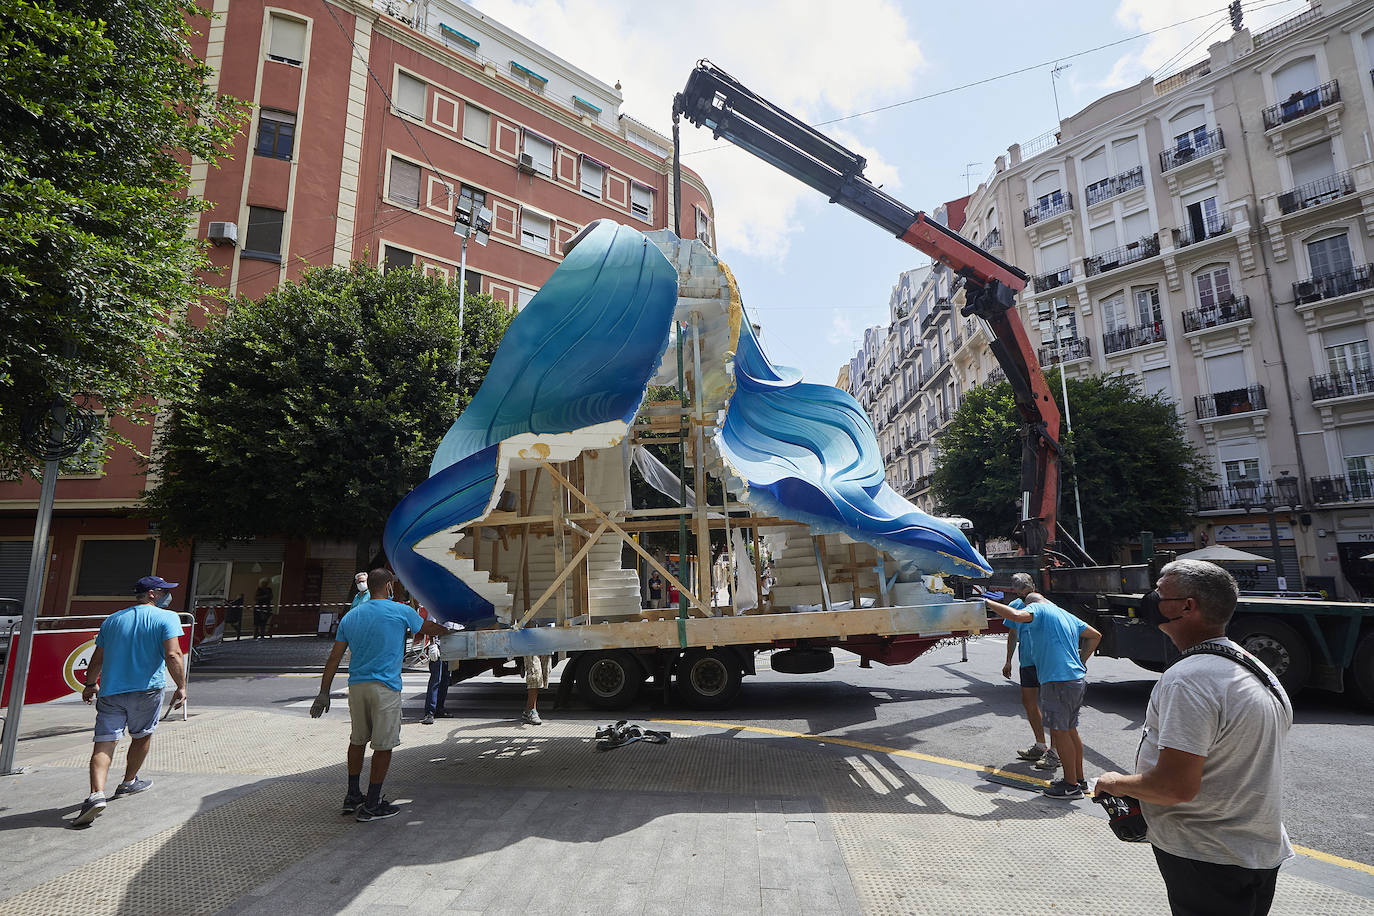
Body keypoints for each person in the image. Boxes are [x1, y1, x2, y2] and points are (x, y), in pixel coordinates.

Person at [1096, 560, 1293, 916]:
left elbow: (1174, 788)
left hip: (1207, 855)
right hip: (1255, 849)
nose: (1151, 598)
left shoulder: (1189, 678)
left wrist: (1115, 782)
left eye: (1160, 592)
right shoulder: (1254, 665)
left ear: (1187, 606)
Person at [311, 568, 447, 822]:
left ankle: (353, 795)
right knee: (383, 746)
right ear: (388, 586)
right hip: (385, 688)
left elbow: (334, 657)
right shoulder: (400, 610)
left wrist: (323, 693)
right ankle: (372, 804)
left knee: (357, 740)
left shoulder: (352, 616)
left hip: (358, 687)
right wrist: (451, 629)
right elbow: (427, 627)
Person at [73, 576, 188, 827]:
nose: (169, 595)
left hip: (111, 691)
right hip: (146, 690)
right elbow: (173, 653)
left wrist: (90, 683)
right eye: (165, 591)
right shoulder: (167, 618)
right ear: (153, 595)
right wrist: (180, 686)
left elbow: (98, 657)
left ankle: (96, 794)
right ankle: (128, 782)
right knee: (142, 735)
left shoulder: (112, 620)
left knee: (104, 741)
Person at [981, 587, 1101, 799]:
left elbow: (1015, 615)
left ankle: (1070, 785)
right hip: (1074, 678)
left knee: (1061, 732)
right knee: (1070, 730)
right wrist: (1081, 659)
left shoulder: (1038, 608)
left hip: (1058, 680)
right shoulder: (1065, 614)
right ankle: (1079, 780)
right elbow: (1095, 635)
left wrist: (987, 603)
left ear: (1031, 604)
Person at [998, 573, 1053, 769]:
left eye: (1026, 593)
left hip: (1045, 662)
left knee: (1051, 706)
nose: (1024, 598)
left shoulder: (1045, 606)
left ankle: (1055, 753)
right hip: (1027, 662)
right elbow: (1013, 634)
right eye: (1020, 595)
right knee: (1029, 703)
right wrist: (1008, 661)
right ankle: (1040, 745)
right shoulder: (1015, 606)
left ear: (1033, 587)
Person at [521, 655, 553, 725]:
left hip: (544, 645)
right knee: (535, 672)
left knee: (544, 670)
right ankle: (532, 710)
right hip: (529, 645)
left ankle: (528, 710)